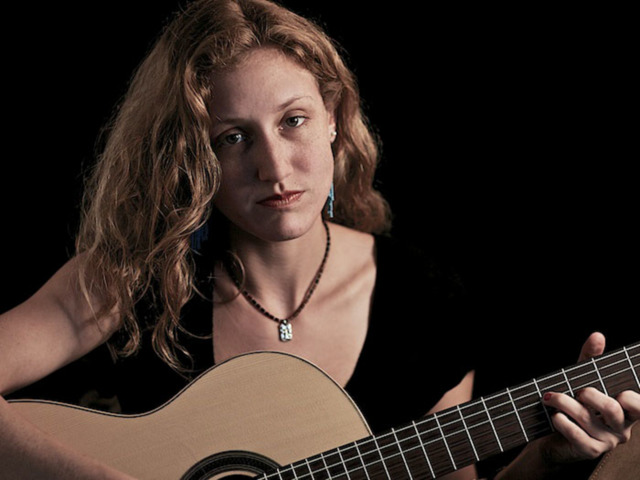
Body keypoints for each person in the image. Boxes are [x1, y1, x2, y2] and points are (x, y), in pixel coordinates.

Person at [0, 1, 638, 479]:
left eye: (294, 121)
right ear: (191, 156)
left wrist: (548, 458)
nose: (274, 168)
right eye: (233, 137)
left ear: (333, 119)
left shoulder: (424, 300)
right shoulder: (130, 278)